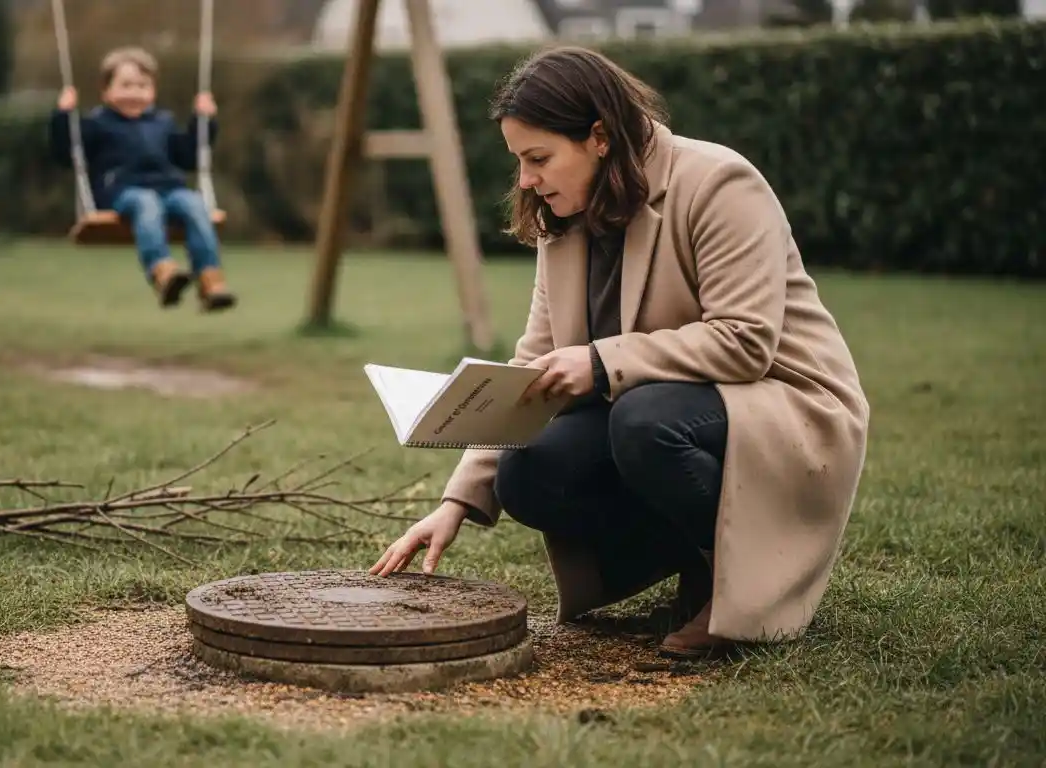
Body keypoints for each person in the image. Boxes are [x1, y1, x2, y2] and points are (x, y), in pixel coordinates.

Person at [369, 46, 870, 660]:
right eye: (519, 161)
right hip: (659, 406)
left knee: (645, 421)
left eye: (538, 158)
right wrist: (457, 502)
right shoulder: (563, 216)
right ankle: (692, 555)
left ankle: (735, 580)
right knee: (525, 473)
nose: (525, 179)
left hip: (784, 403)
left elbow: (746, 340)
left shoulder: (719, 182)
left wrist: (602, 362)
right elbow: (529, 367)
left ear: (599, 137)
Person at [50, 46, 235, 311]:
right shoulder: (97, 124)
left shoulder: (163, 122)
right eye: (125, 85)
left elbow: (188, 157)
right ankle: (162, 271)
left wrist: (203, 122)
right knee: (147, 203)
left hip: (170, 190)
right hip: (123, 191)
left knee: (195, 205)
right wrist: (63, 116)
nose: (134, 93)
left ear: (153, 91)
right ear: (106, 91)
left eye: (142, 86)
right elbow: (65, 152)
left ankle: (210, 280)